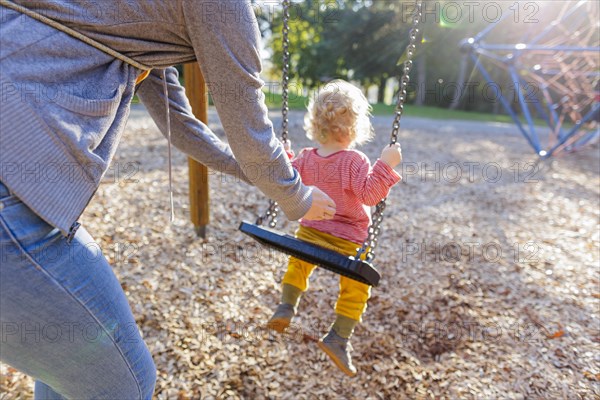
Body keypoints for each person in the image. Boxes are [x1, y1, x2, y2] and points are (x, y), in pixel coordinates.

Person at [0, 1, 335, 398]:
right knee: (126, 384)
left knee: (69, 368)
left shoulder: (138, 20)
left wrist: (250, 171)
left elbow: (178, 122)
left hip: (17, 186)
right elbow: (250, 128)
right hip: (13, 192)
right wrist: (295, 195)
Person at [266, 80, 402, 377]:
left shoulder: (306, 158)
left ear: (316, 124)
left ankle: (286, 306)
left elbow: (290, 182)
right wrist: (386, 165)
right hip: (349, 241)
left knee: (298, 264)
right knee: (356, 285)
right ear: (355, 127)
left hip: (311, 232)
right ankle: (338, 338)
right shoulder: (355, 161)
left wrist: (287, 158)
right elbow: (369, 195)